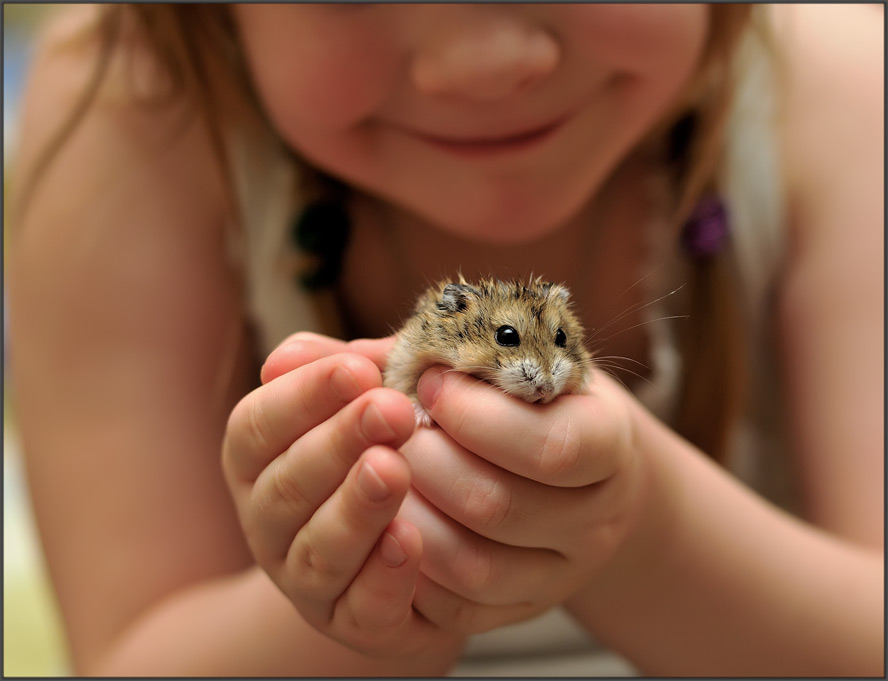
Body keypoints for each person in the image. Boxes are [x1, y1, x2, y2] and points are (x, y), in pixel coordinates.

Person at [6, 3, 883, 676]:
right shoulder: (126, 112)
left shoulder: (842, 93)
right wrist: (368, 595)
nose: (486, 63)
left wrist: (641, 526)